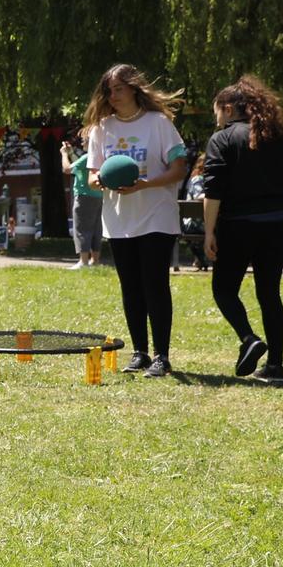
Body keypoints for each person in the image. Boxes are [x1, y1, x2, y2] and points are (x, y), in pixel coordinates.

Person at [85, 63, 190, 378]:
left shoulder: (158, 124)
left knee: (155, 285)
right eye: (108, 90)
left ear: (134, 88)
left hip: (156, 216)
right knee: (130, 287)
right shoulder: (101, 129)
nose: (112, 95)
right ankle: (140, 352)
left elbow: (179, 168)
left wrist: (145, 184)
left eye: (118, 88)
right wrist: (101, 181)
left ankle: (162, 356)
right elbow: (91, 176)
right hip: (119, 220)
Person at [200, 77, 283, 384]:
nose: (216, 117)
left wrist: (209, 233)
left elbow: (213, 192)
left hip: (237, 225)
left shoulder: (222, 140)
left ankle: (248, 338)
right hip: (275, 226)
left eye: (217, 111)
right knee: (269, 293)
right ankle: (276, 366)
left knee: (224, 289)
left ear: (228, 109)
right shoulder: (279, 136)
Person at [60, 138, 101, 270]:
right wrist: (71, 153)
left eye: (84, 141)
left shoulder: (87, 157)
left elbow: (67, 169)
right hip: (98, 197)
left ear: (91, 143)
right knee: (96, 229)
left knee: (81, 228)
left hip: (84, 197)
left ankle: (83, 262)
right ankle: (94, 260)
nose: (82, 143)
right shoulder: (98, 157)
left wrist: (64, 154)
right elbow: (79, 165)